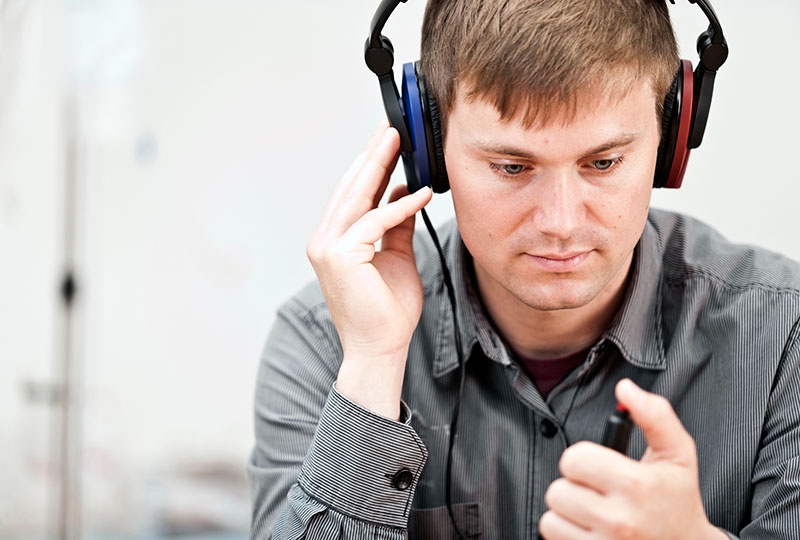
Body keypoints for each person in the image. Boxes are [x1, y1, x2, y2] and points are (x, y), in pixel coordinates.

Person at [248, 1, 800, 538]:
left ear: (671, 140)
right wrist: (371, 371)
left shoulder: (783, 334)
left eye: (603, 162)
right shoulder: (326, 342)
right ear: (430, 154)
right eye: (512, 166)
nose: (560, 222)